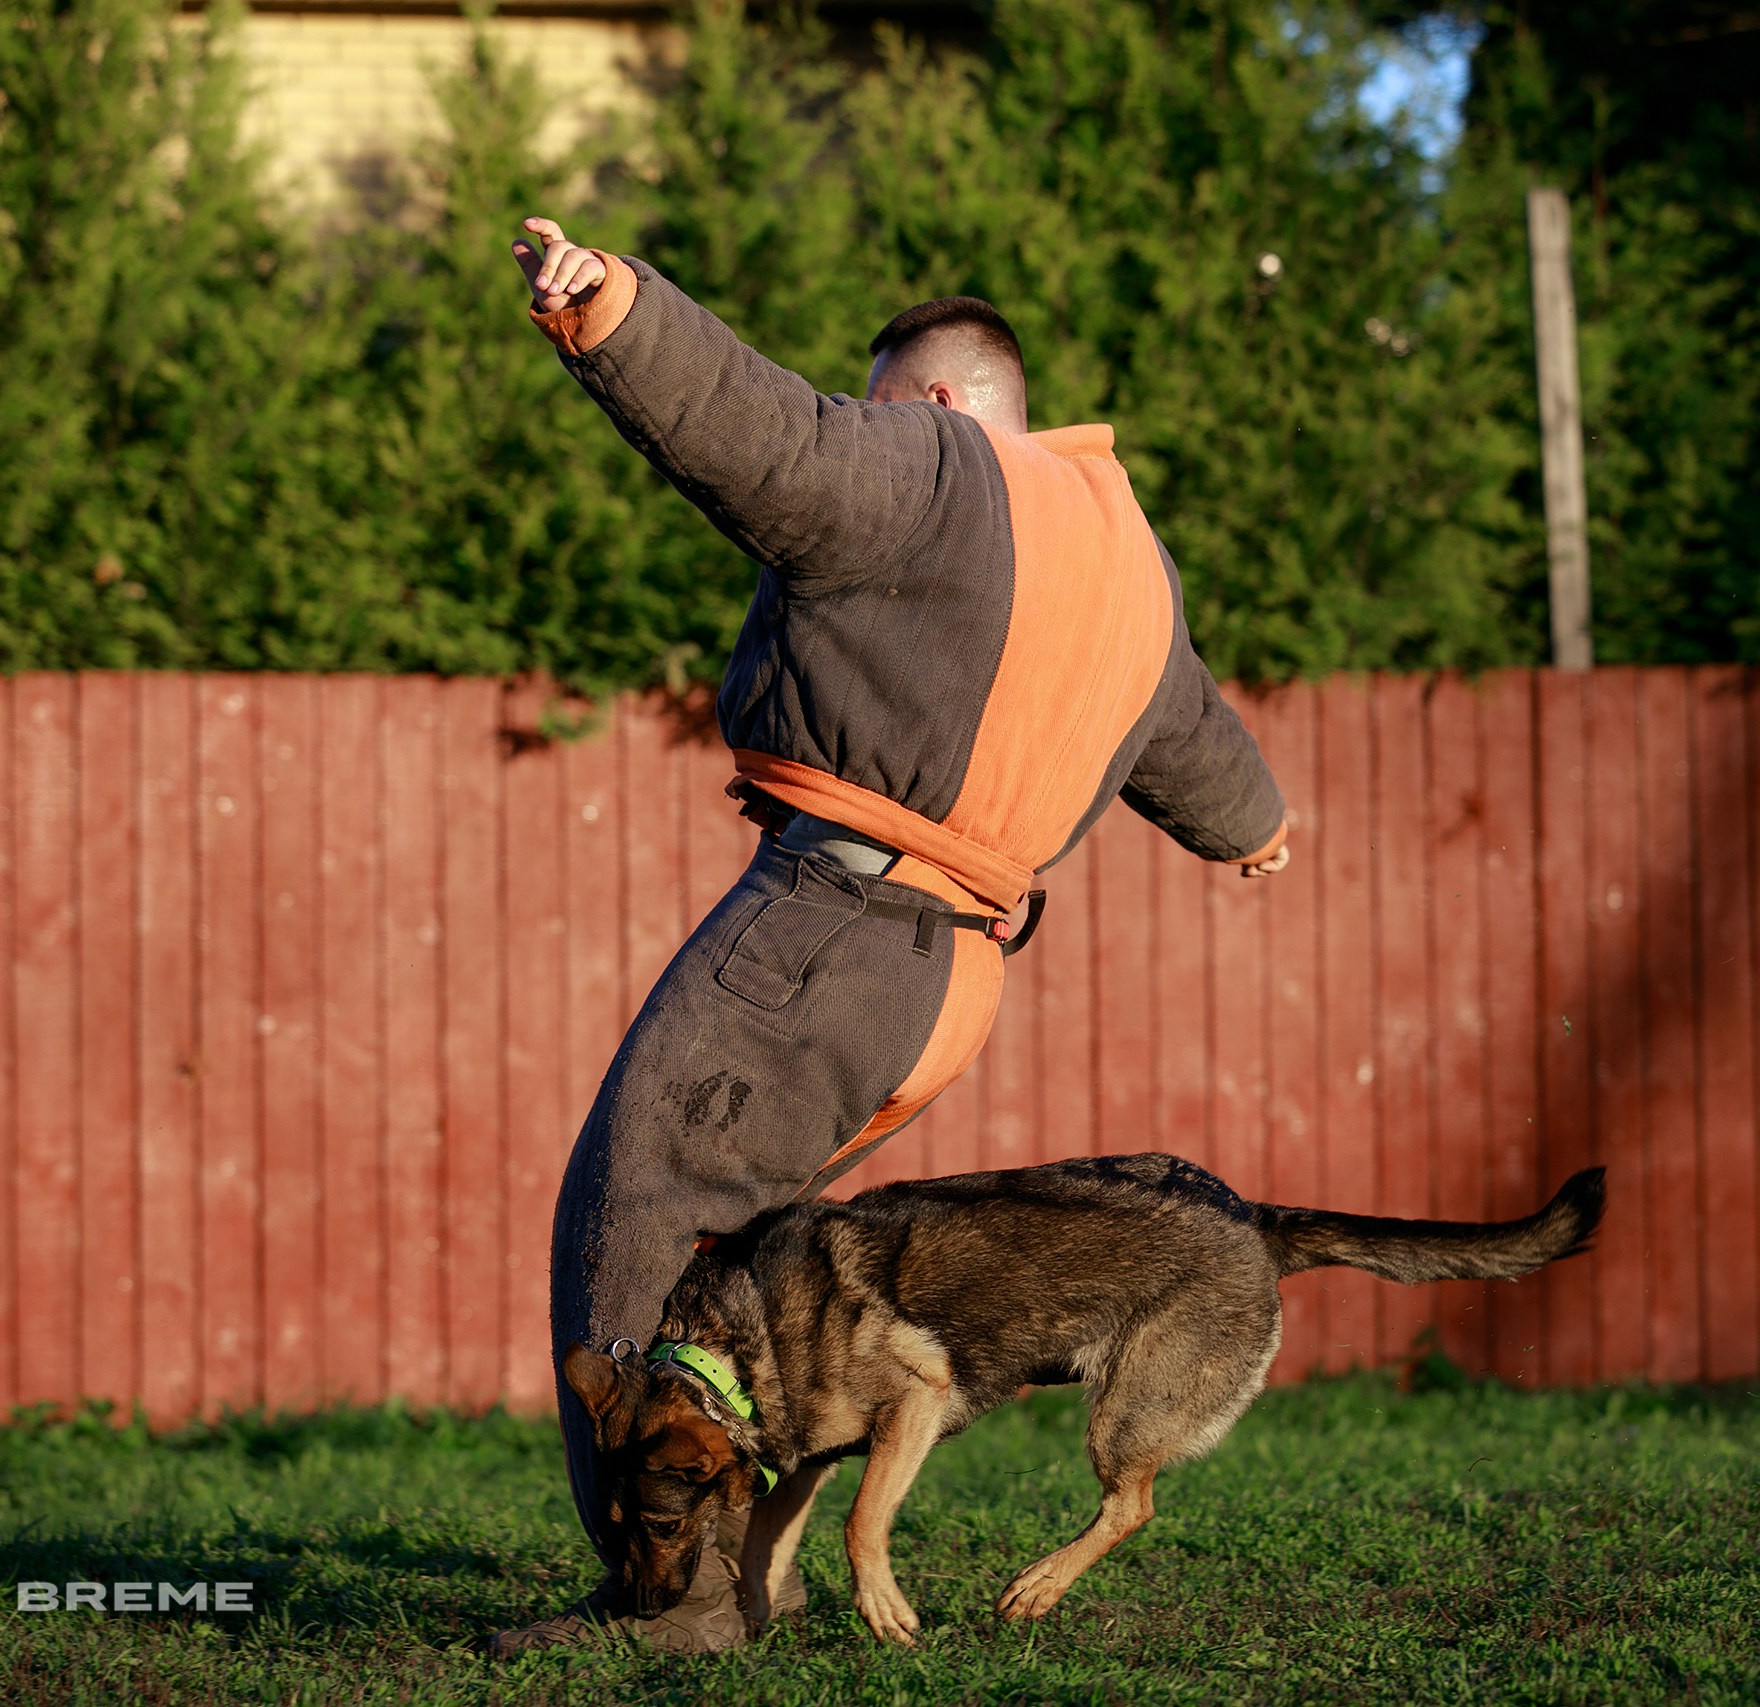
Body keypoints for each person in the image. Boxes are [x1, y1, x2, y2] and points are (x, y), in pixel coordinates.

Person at [491, 217, 1291, 1654]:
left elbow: (760, 431)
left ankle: (675, 1607)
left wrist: (611, 306)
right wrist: (1255, 825)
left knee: (635, 1210)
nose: (867, 428)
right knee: (745, 1267)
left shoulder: (932, 472)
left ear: (934, 403)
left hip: (823, 932)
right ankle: (756, 1575)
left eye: (882, 406)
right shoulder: (1130, 557)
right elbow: (1189, 727)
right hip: (948, 975)